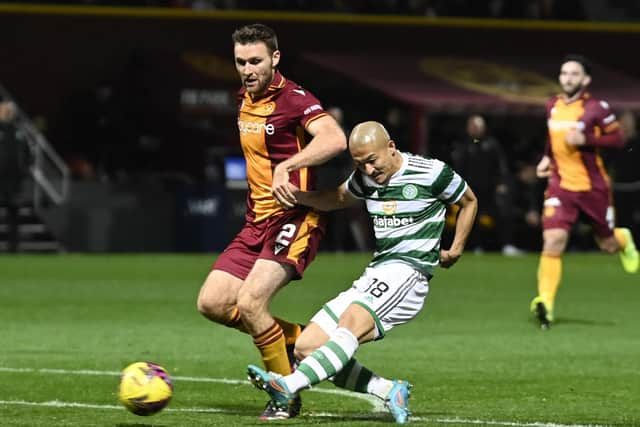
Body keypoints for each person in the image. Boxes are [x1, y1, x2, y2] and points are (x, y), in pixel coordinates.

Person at [245, 121, 478, 424]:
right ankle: (388, 390)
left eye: (372, 161)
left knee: (351, 322)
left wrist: (457, 247)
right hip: (377, 270)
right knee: (307, 346)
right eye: (360, 164)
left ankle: (287, 386)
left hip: (409, 271)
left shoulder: (432, 172)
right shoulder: (366, 178)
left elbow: (468, 201)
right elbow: (338, 198)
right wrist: (296, 196)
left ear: (391, 148)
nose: (368, 170)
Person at [195, 23, 347, 420]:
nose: (248, 70)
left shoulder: (295, 99)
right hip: (255, 222)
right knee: (212, 303)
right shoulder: (244, 97)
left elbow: (334, 139)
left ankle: (286, 395)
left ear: (275, 59)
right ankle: (297, 342)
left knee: (250, 302)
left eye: (256, 61)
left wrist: (290, 167)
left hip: (295, 217)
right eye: (241, 62)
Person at [530, 54, 639, 330]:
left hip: (592, 187)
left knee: (607, 245)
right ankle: (546, 303)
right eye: (564, 73)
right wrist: (546, 158)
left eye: (574, 74)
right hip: (560, 185)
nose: (568, 78)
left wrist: (587, 139)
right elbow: (551, 137)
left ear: (585, 79)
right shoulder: (552, 105)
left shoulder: (596, 108)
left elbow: (618, 138)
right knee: (553, 240)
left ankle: (623, 239)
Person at [451, 114, 523, 255]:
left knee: (503, 214)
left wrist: (501, 182)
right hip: (471, 188)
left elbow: (500, 165)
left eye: (477, 126)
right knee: (470, 217)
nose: (474, 129)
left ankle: (507, 245)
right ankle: (474, 246)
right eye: (472, 126)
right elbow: (459, 167)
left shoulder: (492, 144)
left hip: (491, 188)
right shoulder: (463, 146)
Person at [0, 100, 30, 252]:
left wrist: (25, 170)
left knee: (13, 215)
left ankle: (13, 248)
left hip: (14, 181)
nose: (6, 113)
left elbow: (28, 155)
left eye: (8, 111)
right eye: (4, 111)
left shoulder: (20, 132)